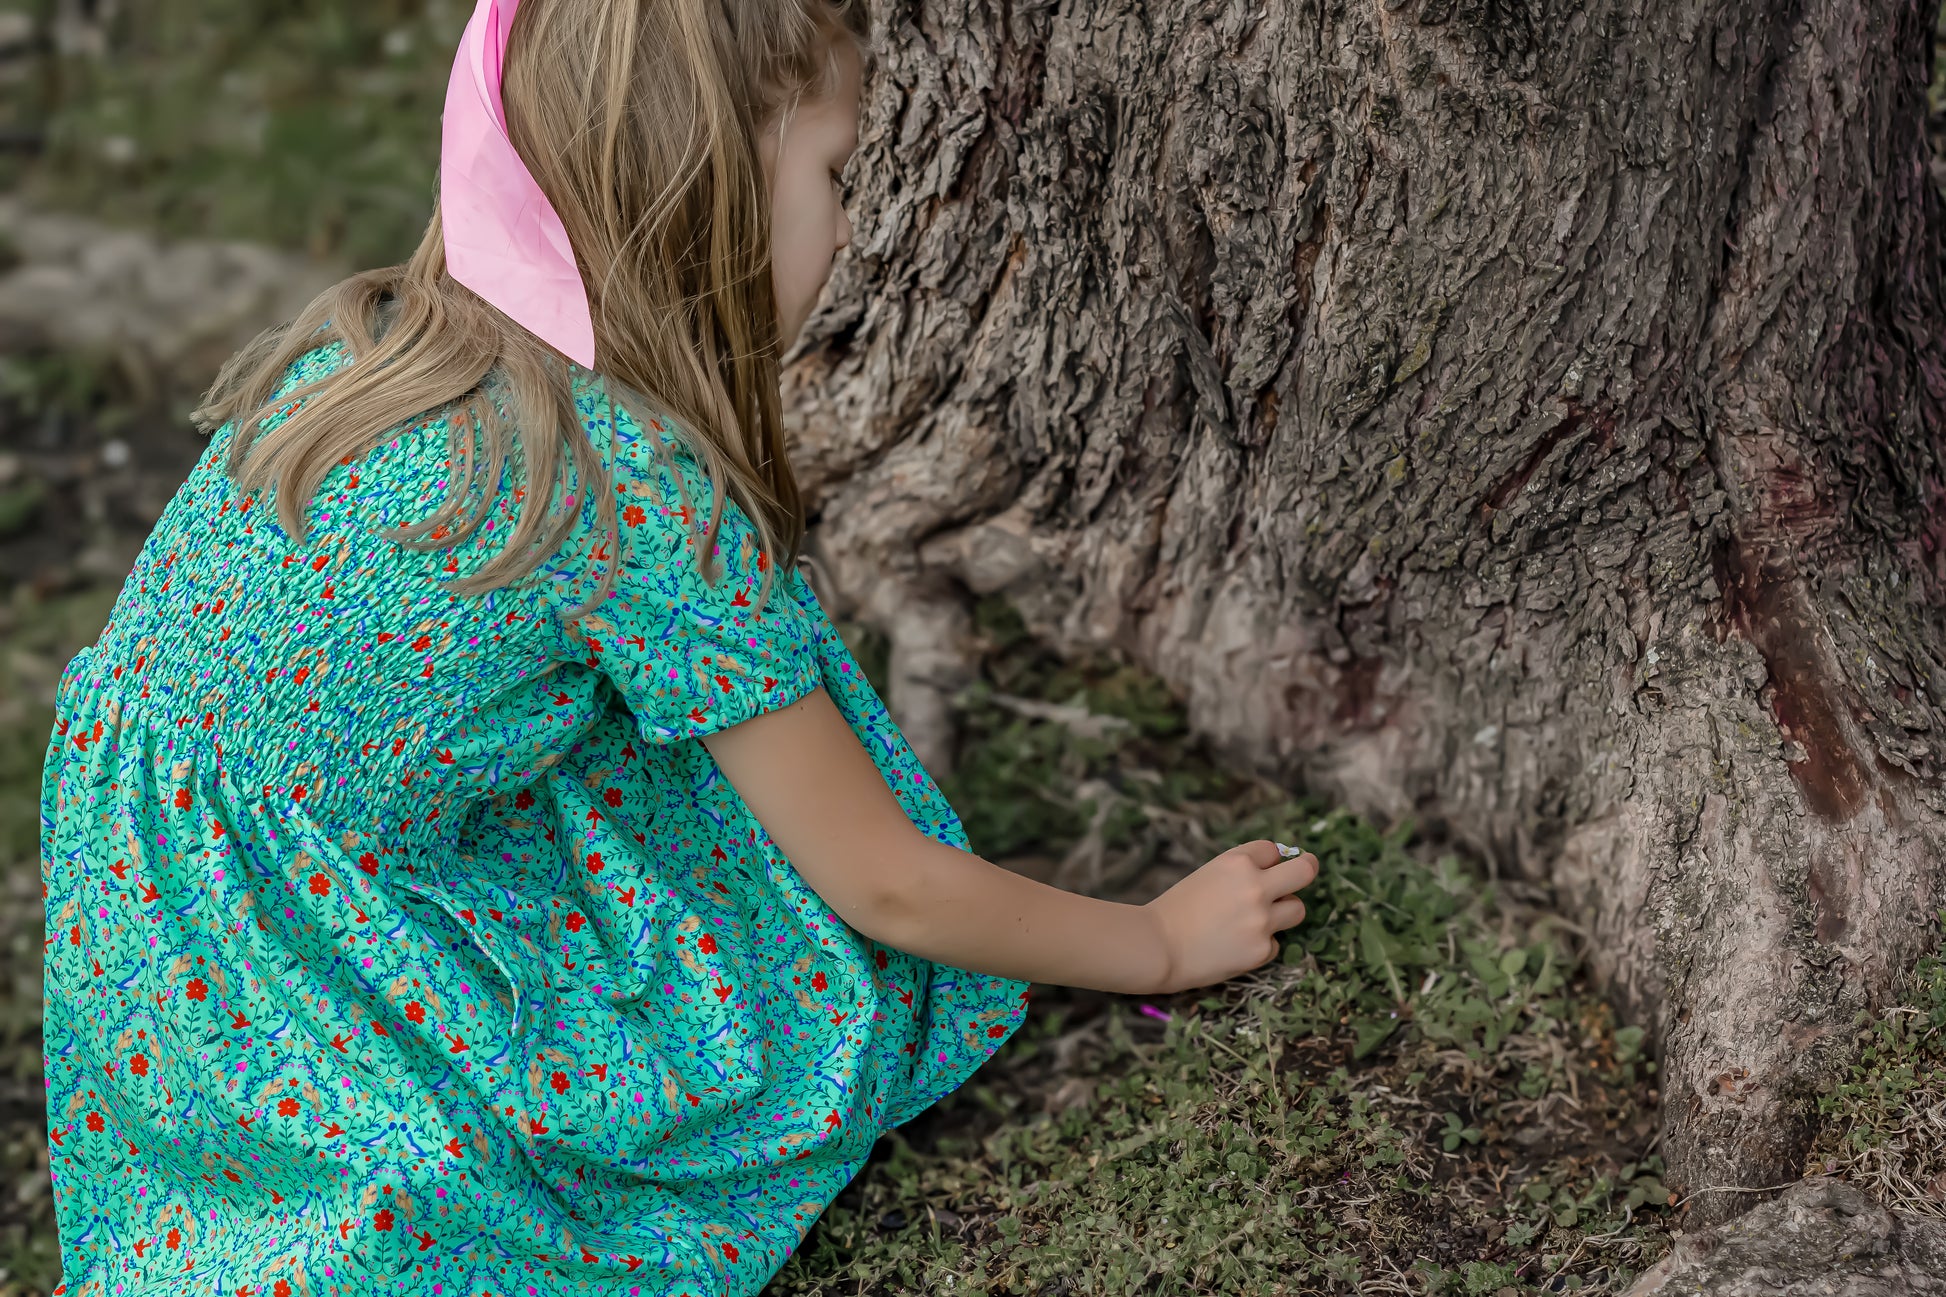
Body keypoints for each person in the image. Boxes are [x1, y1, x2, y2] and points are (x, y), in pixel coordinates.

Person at [35, 0, 1322, 1292]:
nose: (855, 220)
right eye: (832, 172)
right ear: (710, 199)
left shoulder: (364, 351)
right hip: (311, 964)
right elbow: (885, 883)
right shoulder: (626, 496)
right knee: (662, 1073)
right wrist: (1156, 940)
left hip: (148, 939)